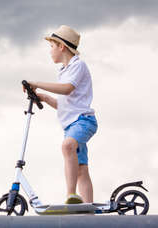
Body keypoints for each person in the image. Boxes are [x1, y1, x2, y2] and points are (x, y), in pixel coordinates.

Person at [24, 25, 98, 204]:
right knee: (81, 169)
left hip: (83, 121)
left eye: (51, 47)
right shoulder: (64, 71)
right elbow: (65, 105)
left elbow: (66, 89)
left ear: (61, 47)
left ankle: (71, 195)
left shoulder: (78, 65)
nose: (50, 51)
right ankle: (88, 208)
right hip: (72, 124)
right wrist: (45, 98)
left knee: (66, 147)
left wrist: (38, 83)